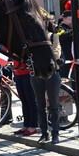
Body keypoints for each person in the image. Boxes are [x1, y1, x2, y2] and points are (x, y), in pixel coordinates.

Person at [33, 15, 63, 144]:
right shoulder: (32, 38)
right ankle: (44, 133)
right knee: (40, 105)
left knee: (54, 105)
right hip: (37, 73)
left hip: (52, 72)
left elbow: (56, 53)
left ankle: (55, 133)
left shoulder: (52, 36)